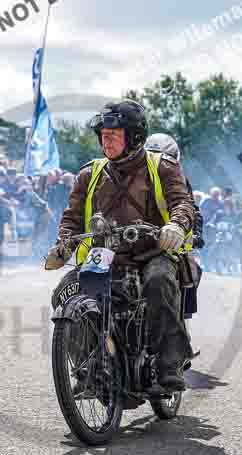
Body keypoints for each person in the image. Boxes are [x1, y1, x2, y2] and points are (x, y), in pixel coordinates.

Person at [45, 100, 195, 392]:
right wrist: (63, 246)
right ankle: (87, 365)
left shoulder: (162, 166)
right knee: (63, 293)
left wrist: (175, 226)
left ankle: (169, 363)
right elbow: (72, 217)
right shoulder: (89, 174)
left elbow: (182, 202)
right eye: (103, 134)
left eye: (114, 133)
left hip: (152, 252)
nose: (106, 139)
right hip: (105, 256)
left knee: (159, 281)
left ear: (135, 136)